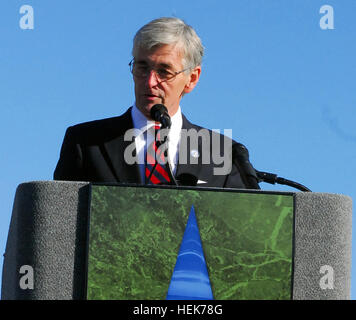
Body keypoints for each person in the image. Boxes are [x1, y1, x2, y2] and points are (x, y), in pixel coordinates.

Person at [54, 17, 259, 189]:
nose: (150, 82)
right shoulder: (86, 143)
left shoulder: (222, 153)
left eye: (164, 71)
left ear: (192, 78)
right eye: (142, 67)